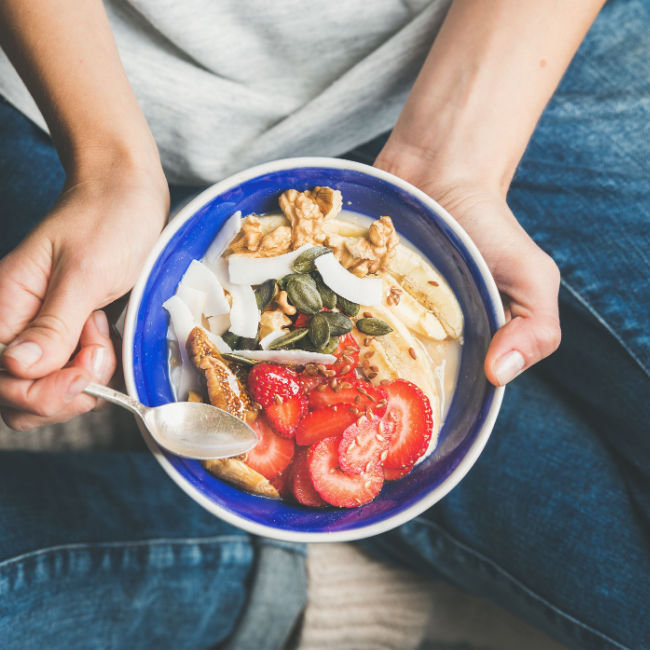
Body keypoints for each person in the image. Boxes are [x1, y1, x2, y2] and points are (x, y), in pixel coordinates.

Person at [0, 0, 648, 648]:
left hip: (497, 54)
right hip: (95, 90)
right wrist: (109, 171)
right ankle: (299, 575)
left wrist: (455, 159)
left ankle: (296, 576)